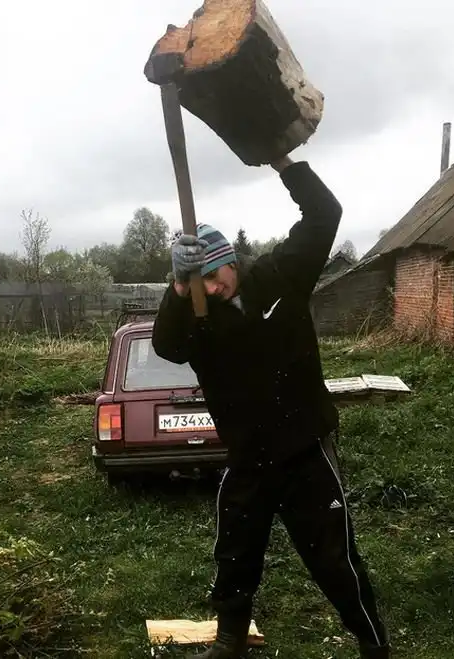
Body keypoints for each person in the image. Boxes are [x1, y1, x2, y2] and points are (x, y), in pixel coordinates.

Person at [151, 156, 390, 659]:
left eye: (213, 276)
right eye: (197, 283)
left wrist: (282, 160)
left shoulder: (280, 275)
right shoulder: (197, 314)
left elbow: (325, 213)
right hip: (248, 457)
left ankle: (372, 642)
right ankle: (230, 639)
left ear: (230, 261)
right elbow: (167, 347)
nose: (210, 289)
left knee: (334, 557)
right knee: (235, 554)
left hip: (305, 450)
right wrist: (178, 290)